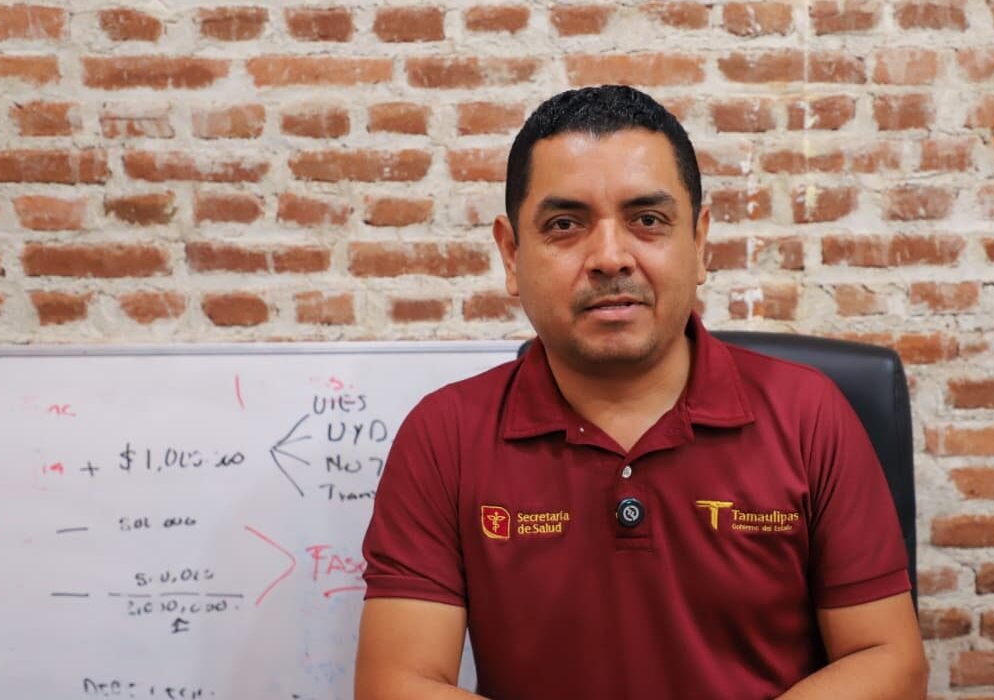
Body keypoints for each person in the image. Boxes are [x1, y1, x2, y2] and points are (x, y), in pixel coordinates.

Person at [355, 85, 928, 699]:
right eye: (565, 225)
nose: (609, 257)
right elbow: (396, 683)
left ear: (700, 244)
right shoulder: (446, 435)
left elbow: (889, 661)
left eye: (647, 221)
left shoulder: (807, 415)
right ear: (511, 253)